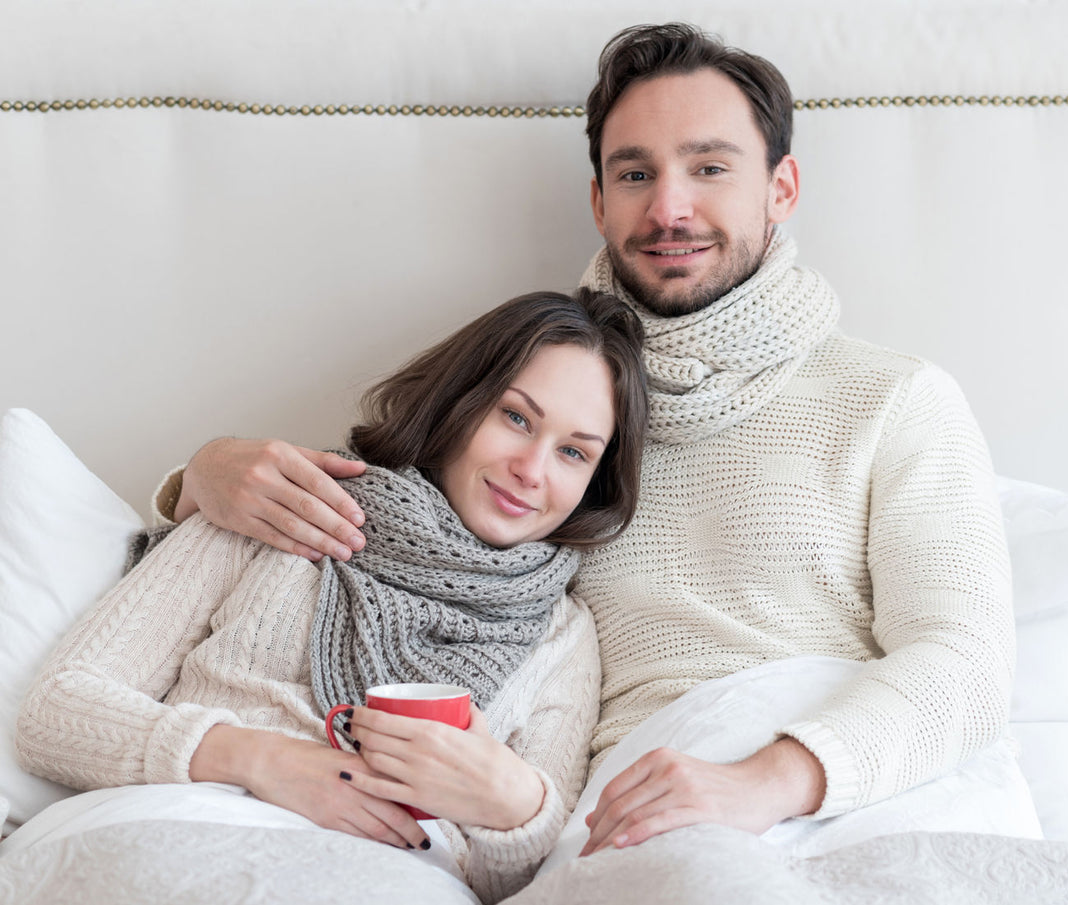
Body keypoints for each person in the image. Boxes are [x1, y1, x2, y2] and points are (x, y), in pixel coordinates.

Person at [153, 22, 1014, 861]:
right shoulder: (540, 398)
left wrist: (764, 781)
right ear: (599, 201)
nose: (669, 207)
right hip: (640, 817)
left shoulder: (896, 399)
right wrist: (195, 478)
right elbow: (394, 516)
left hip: (857, 784)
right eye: (635, 173)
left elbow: (966, 662)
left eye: (710, 167)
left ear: (781, 188)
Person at [13, 288, 647, 904]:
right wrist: (260, 760)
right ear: (460, 404)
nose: (532, 470)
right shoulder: (285, 508)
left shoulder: (561, 632)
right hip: (171, 834)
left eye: (572, 452)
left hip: (389, 879)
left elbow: (535, 881)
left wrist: (514, 806)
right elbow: (55, 717)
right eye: (516, 417)